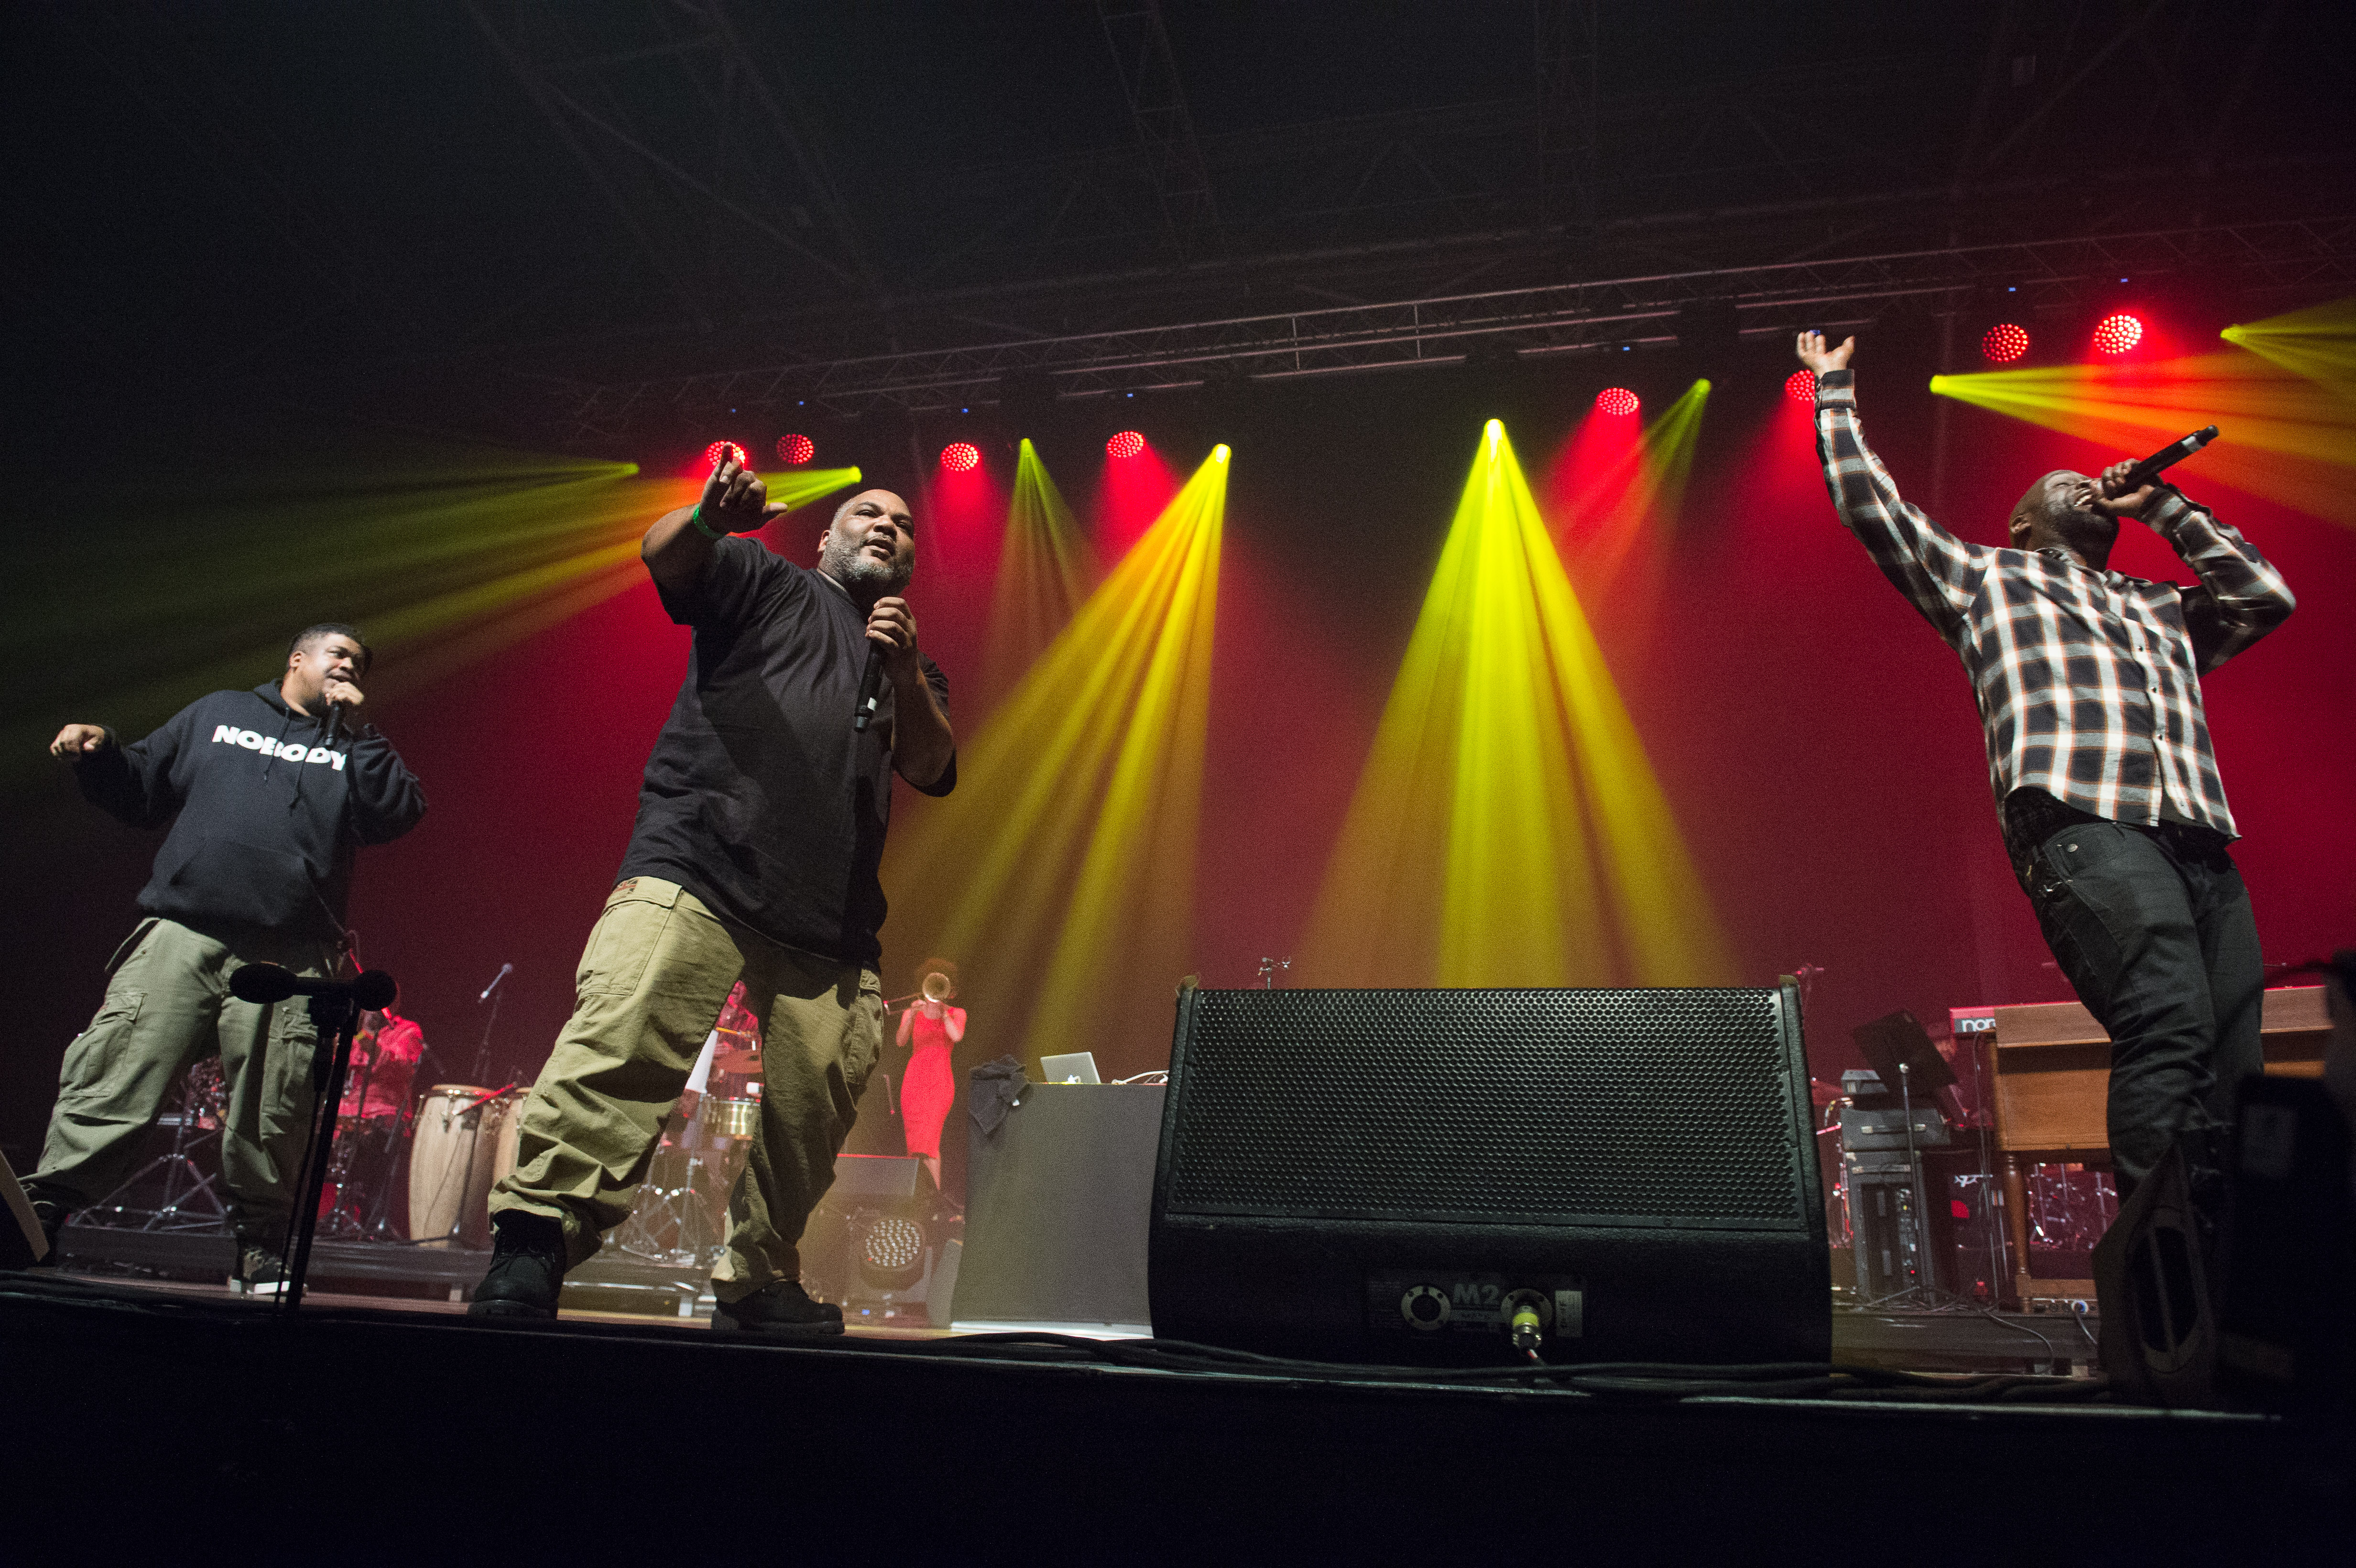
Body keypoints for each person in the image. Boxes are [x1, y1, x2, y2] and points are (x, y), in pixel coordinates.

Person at [1797, 329, 2296, 1198]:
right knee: (2169, 1024)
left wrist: (2165, 509)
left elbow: (2265, 598)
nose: (2080, 480)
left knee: (2235, 1066)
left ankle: (2239, 1275)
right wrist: (1832, 391)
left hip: (2197, 840)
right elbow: (1869, 507)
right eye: (2053, 482)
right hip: (2082, 822)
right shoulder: (1987, 579)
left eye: (2087, 479)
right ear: (2020, 522)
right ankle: (2161, 1273)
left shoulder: (2157, 605)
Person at [470, 459, 956, 1332]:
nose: (887, 525)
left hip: (829, 922)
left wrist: (908, 671)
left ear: (913, 562)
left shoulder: (908, 661)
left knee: (812, 1116)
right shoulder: (767, 579)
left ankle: (758, 1279)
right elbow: (666, 558)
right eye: (866, 513)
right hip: (698, 865)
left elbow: (930, 765)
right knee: (619, 1049)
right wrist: (703, 520)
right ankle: (533, 1245)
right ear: (825, 536)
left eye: (903, 524)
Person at [22, 624, 427, 1291]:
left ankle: (261, 1250)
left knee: (277, 1107)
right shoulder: (221, 713)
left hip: (293, 952)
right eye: (338, 656)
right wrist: (98, 754)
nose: (348, 669)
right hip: (186, 931)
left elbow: (399, 814)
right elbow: (142, 788)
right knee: (117, 1074)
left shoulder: (356, 747)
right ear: (298, 660)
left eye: (359, 665)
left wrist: (366, 731)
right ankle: (38, 1220)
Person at [894, 964, 966, 1191]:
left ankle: (933, 1202)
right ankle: (914, 1200)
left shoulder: (957, 1013)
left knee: (930, 1145)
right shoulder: (911, 1012)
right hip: (914, 1081)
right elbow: (900, 1041)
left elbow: (957, 1036)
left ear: (951, 990)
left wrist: (944, 1015)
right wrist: (912, 1015)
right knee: (914, 1144)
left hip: (939, 1081)